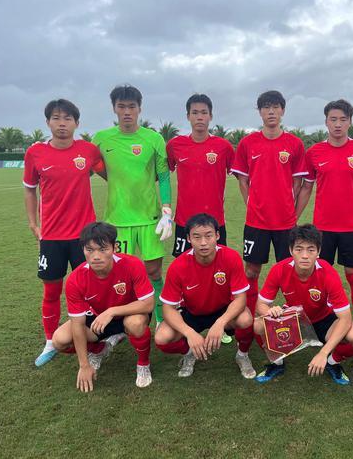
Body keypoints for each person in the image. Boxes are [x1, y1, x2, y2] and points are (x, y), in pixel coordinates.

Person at [23, 99, 104, 366]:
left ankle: (97, 338)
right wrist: (33, 224)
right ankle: (50, 341)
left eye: (67, 118)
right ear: (48, 122)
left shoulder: (88, 151)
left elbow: (110, 174)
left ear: (76, 123)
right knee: (51, 290)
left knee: (91, 289)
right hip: (52, 237)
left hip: (84, 238)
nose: (62, 123)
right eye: (56, 118)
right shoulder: (35, 153)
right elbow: (29, 190)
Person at [296, 99, 353, 316]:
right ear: (326, 122)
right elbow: (306, 188)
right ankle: (321, 318)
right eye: (333, 119)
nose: (338, 124)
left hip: (351, 225)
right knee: (320, 274)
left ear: (350, 122)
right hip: (322, 227)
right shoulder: (314, 152)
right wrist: (293, 217)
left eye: (343, 119)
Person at [93, 85, 172, 325]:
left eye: (132, 106)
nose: (127, 112)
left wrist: (167, 209)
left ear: (139, 108)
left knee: (154, 272)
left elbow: (164, 177)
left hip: (149, 218)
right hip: (117, 220)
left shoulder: (153, 139)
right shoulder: (101, 139)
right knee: (120, 275)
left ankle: (161, 319)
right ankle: (121, 324)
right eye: (122, 106)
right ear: (114, 108)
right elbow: (95, 168)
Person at [230, 90, 307, 328]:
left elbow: (298, 183)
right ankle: (254, 317)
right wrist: (251, 205)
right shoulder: (248, 143)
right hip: (256, 222)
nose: (271, 112)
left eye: (275, 107)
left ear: (283, 110)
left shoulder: (294, 144)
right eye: (266, 107)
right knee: (252, 270)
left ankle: (296, 321)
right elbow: (243, 181)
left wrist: (291, 211)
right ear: (260, 111)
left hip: (286, 223)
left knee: (291, 272)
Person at [253, 224, 353, 385]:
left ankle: (332, 362)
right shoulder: (280, 269)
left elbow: (345, 318)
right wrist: (270, 311)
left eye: (311, 249)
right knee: (257, 325)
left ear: (318, 251)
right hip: (295, 318)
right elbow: (261, 304)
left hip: (324, 319)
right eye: (299, 249)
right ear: (291, 250)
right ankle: (277, 363)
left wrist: (323, 353)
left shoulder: (328, 272)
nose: (305, 255)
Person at [51, 222, 154, 391]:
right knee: (59, 340)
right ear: (83, 250)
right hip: (99, 319)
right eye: (90, 250)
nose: (96, 256)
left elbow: (148, 304)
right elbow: (77, 324)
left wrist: (112, 311)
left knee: (135, 324)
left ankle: (143, 364)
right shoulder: (75, 280)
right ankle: (98, 349)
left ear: (115, 248)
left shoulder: (132, 264)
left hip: (131, 313)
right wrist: (84, 365)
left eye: (103, 249)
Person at [155, 214, 256, 378]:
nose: (203, 242)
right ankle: (189, 352)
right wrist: (189, 333)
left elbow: (241, 299)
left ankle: (242, 355)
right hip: (192, 312)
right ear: (188, 238)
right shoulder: (178, 266)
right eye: (197, 237)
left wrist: (220, 323)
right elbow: (168, 308)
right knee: (161, 337)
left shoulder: (231, 257)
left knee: (246, 319)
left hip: (223, 310)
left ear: (217, 235)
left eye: (208, 236)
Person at [166, 94, 234, 257]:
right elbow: (164, 174)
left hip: (215, 221)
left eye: (204, 112)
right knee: (184, 264)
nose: (199, 117)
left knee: (218, 264)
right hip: (184, 220)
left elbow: (241, 177)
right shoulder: (174, 145)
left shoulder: (224, 147)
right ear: (188, 116)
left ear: (210, 116)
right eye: (195, 112)